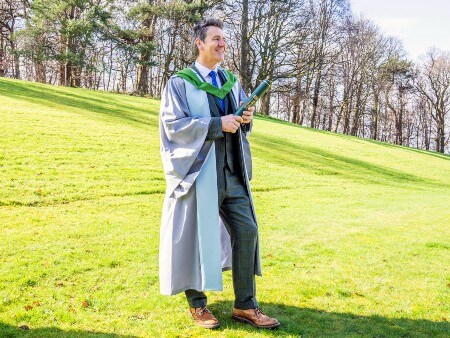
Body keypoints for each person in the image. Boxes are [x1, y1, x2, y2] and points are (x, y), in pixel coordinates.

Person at [158, 18, 280, 330]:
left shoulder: (230, 80)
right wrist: (216, 124)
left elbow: (239, 123)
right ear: (199, 43)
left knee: (247, 231)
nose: (222, 44)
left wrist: (246, 118)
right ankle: (198, 305)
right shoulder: (180, 83)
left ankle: (245, 306)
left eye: (224, 39)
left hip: (232, 172)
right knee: (196, 237)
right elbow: (173, 127)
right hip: (200, 172)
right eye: (216, 39)